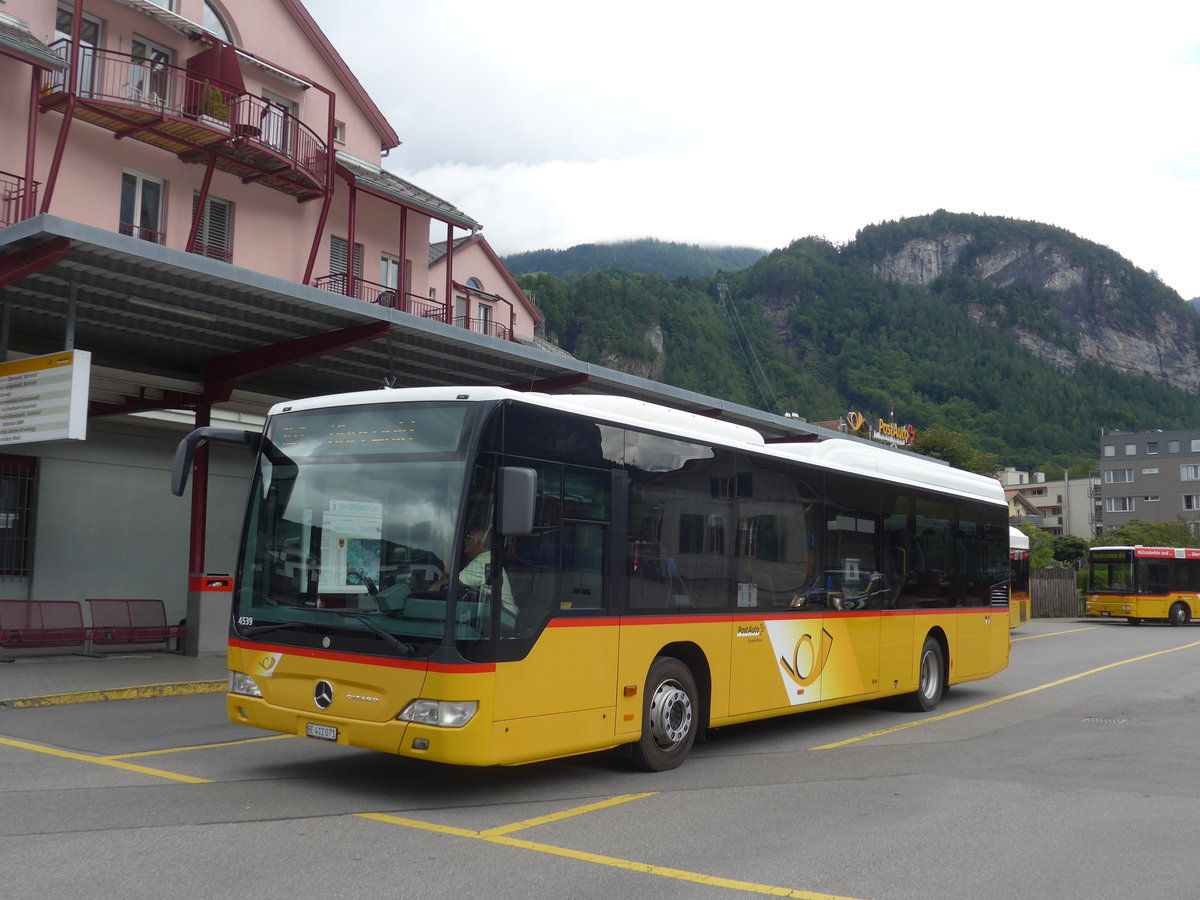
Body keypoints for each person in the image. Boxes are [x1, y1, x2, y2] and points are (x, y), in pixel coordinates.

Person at [458, 528, 518, 622]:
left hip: (503, 617)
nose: (465, 540)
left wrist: (435, 586)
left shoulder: (482, 561)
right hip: (503, 614)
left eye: (469, 537)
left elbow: (454, 584)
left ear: (479, 542)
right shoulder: (488, 558)